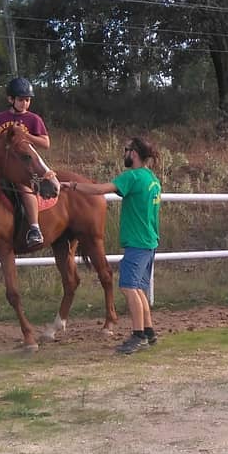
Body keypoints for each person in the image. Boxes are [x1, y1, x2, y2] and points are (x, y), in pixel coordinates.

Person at [65, 136, 162, 355]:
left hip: (137, 243)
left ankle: (138, 335)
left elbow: (100, 189)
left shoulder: (132, 177)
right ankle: (148, 332)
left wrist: (72, 186)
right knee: (139, 288)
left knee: (128, 287)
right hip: (149, 242)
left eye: (126, 150)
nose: (124, 154)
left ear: (133, 153)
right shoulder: (152, 179)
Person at [0, 76, 51, 248]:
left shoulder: (34, 119)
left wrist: (25, 135)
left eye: (28, 100)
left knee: (25, 187)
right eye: (21, 100)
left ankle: (34, 228)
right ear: (10, 99)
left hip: (22, 166)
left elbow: (46, 143)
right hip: (0, 166)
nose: (25, 104)